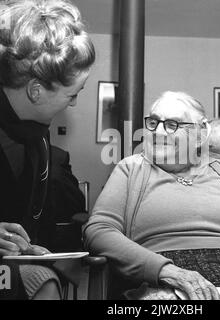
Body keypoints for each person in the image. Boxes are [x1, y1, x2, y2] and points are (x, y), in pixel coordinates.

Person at [83, 91, 220, 300]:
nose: (158, 132)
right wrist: (166, 271)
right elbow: (99, 231)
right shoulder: (131, 169)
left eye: (172, 124)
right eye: (153, 122)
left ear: (201, 133)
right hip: (169, 284)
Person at [0, 0, 95, 300]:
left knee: (42, 278)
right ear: (36, 91)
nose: (74, 103)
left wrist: (28, 248)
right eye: (72, 94)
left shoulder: (37, 137)